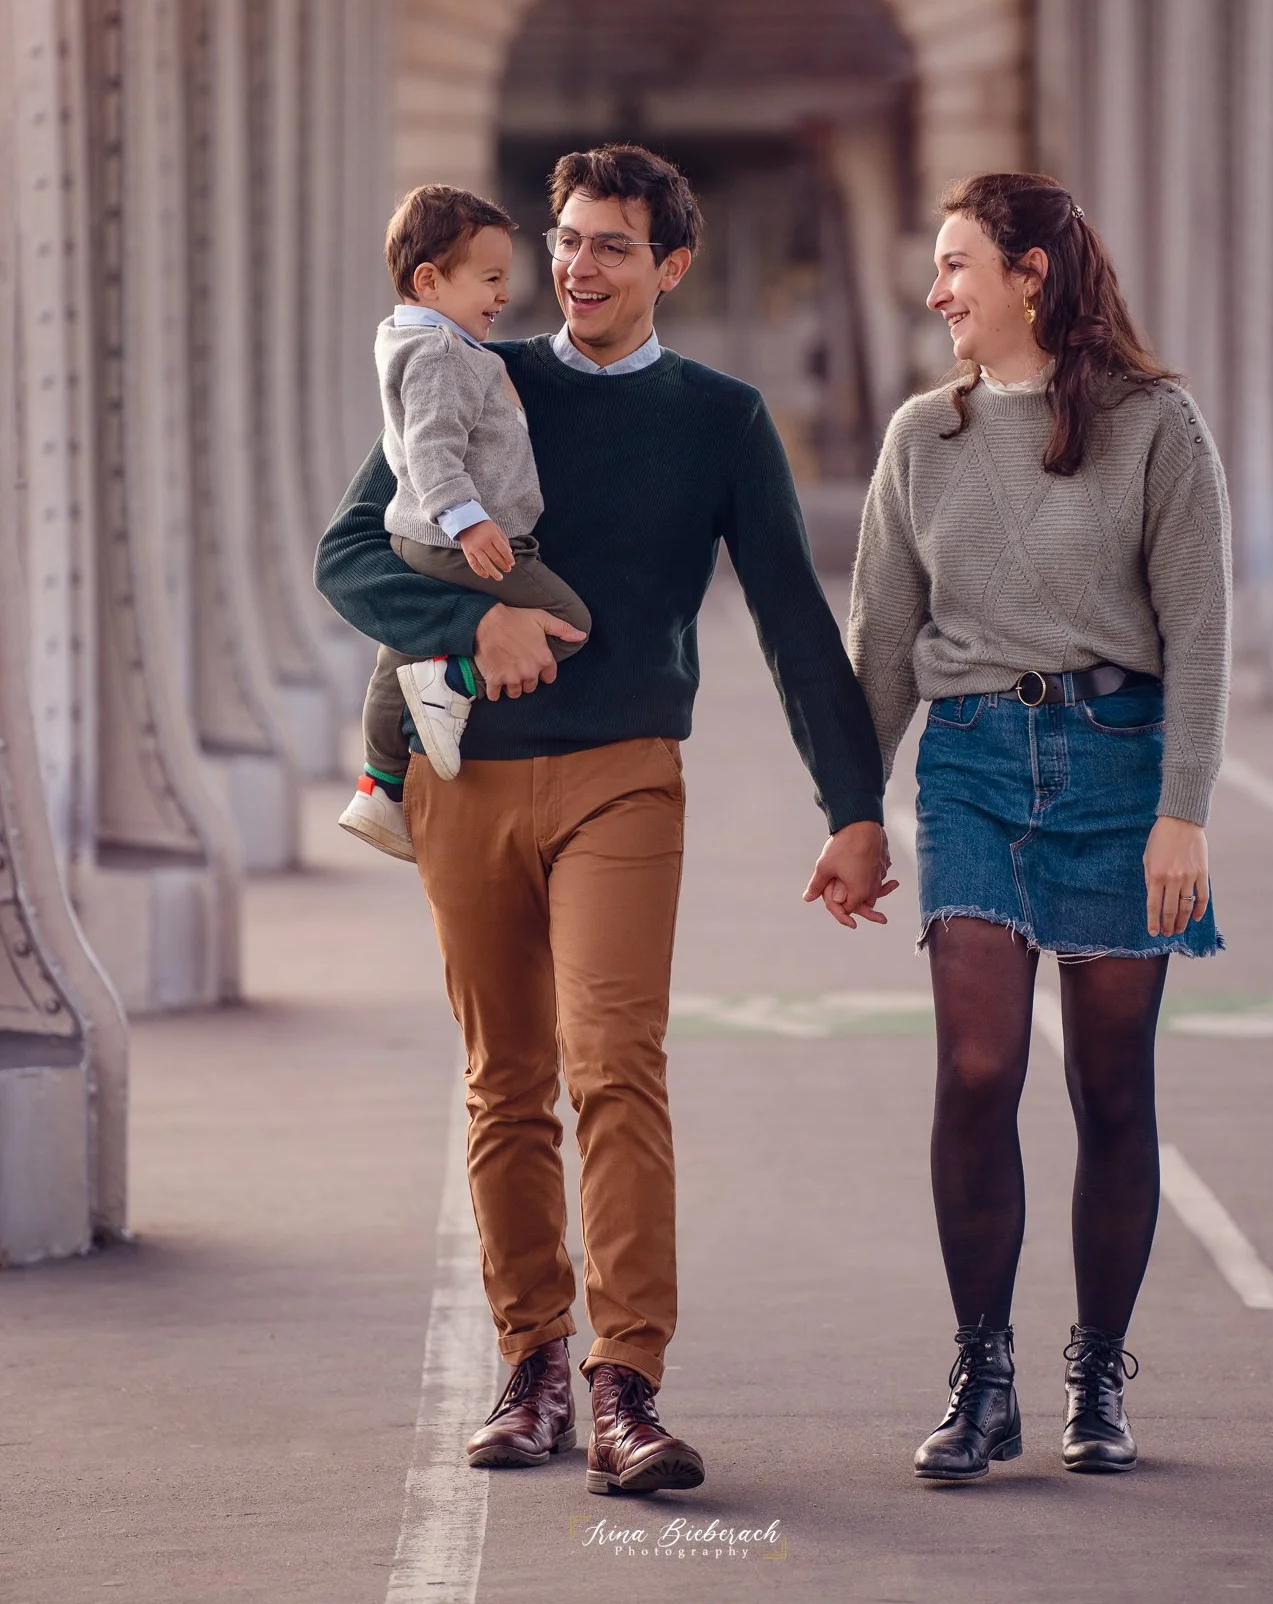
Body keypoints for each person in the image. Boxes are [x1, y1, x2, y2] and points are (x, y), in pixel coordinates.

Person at [315, 143, 890, 1495]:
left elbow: (799, 628)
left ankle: (625, 1384)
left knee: (612, 1061)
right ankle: (530, 1367)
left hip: (625, 770)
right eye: (565, 240)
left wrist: (854, 807)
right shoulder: (472, 372)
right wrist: (478, 622)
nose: (575, 266)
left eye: (610, 245)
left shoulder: (720, 418)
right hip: (470, 777)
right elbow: (349, 553)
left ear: (670, 265)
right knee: (503, 1081)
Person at [849, 171, 1231, 1483]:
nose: (934, 291)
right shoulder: (921, 438)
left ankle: (1096, 1374)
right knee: (974, 1068)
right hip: (969, 765)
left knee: (1109, 1084)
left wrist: (1182, 815)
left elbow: (1198, 630)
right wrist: (854, 811)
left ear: (1029, 275)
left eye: (955, 265)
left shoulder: (1155, 427)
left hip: (1121, 769)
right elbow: (882, 644)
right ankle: (980, 1371)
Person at [338, 185, 591, 862]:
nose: (504, 295)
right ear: (429, 280)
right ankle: (454, 683)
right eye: (490, 279)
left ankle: (380, 785)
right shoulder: (443, 357)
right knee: (568, 625)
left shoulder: (414, 344)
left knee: (399, 655)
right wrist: (469, 522)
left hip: (420, 538)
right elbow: (431, 447)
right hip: (462, 541)